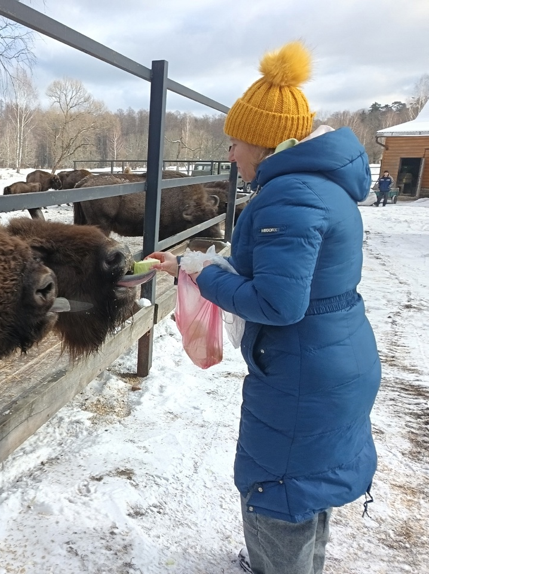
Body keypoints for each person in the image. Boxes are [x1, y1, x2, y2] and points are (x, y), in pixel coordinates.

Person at [149, 41, 381, 574]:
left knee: (278, 486)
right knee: (308, 480)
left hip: (302, 368)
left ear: (264, 143)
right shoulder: (318, 186)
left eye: (236, 143)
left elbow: (277, 303)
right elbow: (281, 273)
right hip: (331, 354)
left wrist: (206, 278)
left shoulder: (289, 196)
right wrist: (188, 263)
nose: (230, 155)